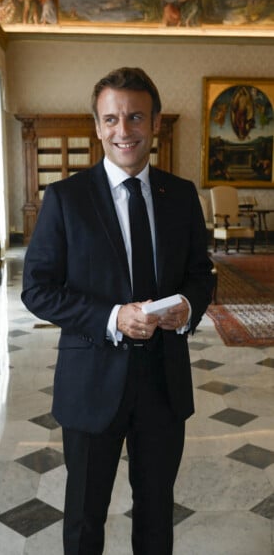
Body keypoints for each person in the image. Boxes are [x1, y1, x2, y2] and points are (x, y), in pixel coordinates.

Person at [22, 67, 215, 554]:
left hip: (163, 384)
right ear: (97, 126)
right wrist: (112, 317)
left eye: (134, 117)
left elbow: (202, 272)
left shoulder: (182, 196)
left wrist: (188, 305)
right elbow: (38, 289)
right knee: (85, 516)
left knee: (156, 513)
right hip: (91, 383)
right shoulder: (65, 198)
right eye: (110, 119)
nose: (123, 131)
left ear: (154, 123)